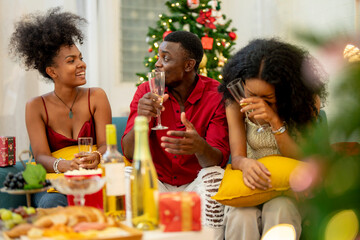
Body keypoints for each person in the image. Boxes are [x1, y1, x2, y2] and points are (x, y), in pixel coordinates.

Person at [122, 31, 230, 238]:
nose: (158, 64)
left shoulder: (216, 95)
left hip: (195, 184)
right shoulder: (146, 91)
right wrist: (142, 120)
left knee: (216, 177)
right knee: (128, 176)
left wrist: (200, 146)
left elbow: (218, 158)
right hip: (156, 182)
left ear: (189, 65)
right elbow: (128, 152)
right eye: (158, 57)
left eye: (166, 58)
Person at [218, 38, 327, 240]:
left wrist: (275, 122)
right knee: (241, 215)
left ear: (287, 91)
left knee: (281, 210)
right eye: (251, 94)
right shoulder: (235, 101)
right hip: (250, 182)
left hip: (288, 187)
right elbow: (238, 156)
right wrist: (246, 164)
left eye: (267, 99)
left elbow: (303, 157)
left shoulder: (306, 103)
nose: (256, 103)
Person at [9, 8, 112, 208]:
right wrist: (62, 166)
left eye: (80, 57)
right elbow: (40, 155)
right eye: (71, 61)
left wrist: (97, 156)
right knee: (51, 205)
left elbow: (107, 145)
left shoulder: (97, 96)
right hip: (56, 181)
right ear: (52, 71)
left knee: (114, 198)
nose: (81, 64)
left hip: (94, 176)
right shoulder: (36, 106)